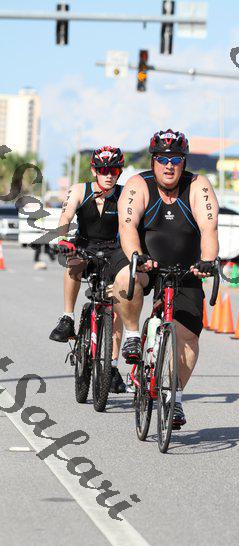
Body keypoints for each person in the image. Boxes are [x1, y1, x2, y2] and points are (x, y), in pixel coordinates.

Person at [118, 129, 219, 428]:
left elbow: (210, 229)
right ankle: (133, 336)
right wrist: (137, 256)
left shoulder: (198, 185)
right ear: (153, 161)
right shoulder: (139, 185)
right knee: (124, 278)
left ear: (184, 162)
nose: (169, 165)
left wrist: (207, 261)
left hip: (187, 269)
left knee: (188, 338)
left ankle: (174, 397)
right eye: (162, 159)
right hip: (147, 263)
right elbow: (127, 226)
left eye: (176, 159)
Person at [49, 146, 131, 393]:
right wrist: (63, 239)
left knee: (116, 307)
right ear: (95, 170)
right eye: (103, 170)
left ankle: (112, 366)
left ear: (119, 172)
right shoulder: (79, 190)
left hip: (114, 250)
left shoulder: (125, 194)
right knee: (73, 262)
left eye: (114, 171)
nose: (108, 175)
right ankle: (67, 317)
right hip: (85, 245)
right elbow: (65, 218)